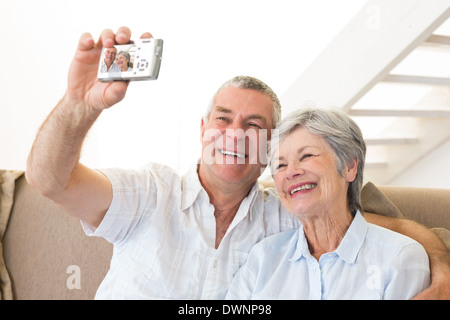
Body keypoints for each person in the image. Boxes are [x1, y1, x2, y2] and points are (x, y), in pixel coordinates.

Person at [25, 27, 449, 299]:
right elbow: (50, 181)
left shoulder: (288, 212)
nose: (233, 134)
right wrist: (78, 106)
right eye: (224, 120)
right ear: (204, 128)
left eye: (253, 125)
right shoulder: (150, 193)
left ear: (269, 147)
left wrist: (443, 275)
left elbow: (393, 231)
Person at [226, 107, 430, 299]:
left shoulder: (400, 257)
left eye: (306, 156)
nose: (291, 172)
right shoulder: (262, 257)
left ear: (350, 166)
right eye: (281, 165)